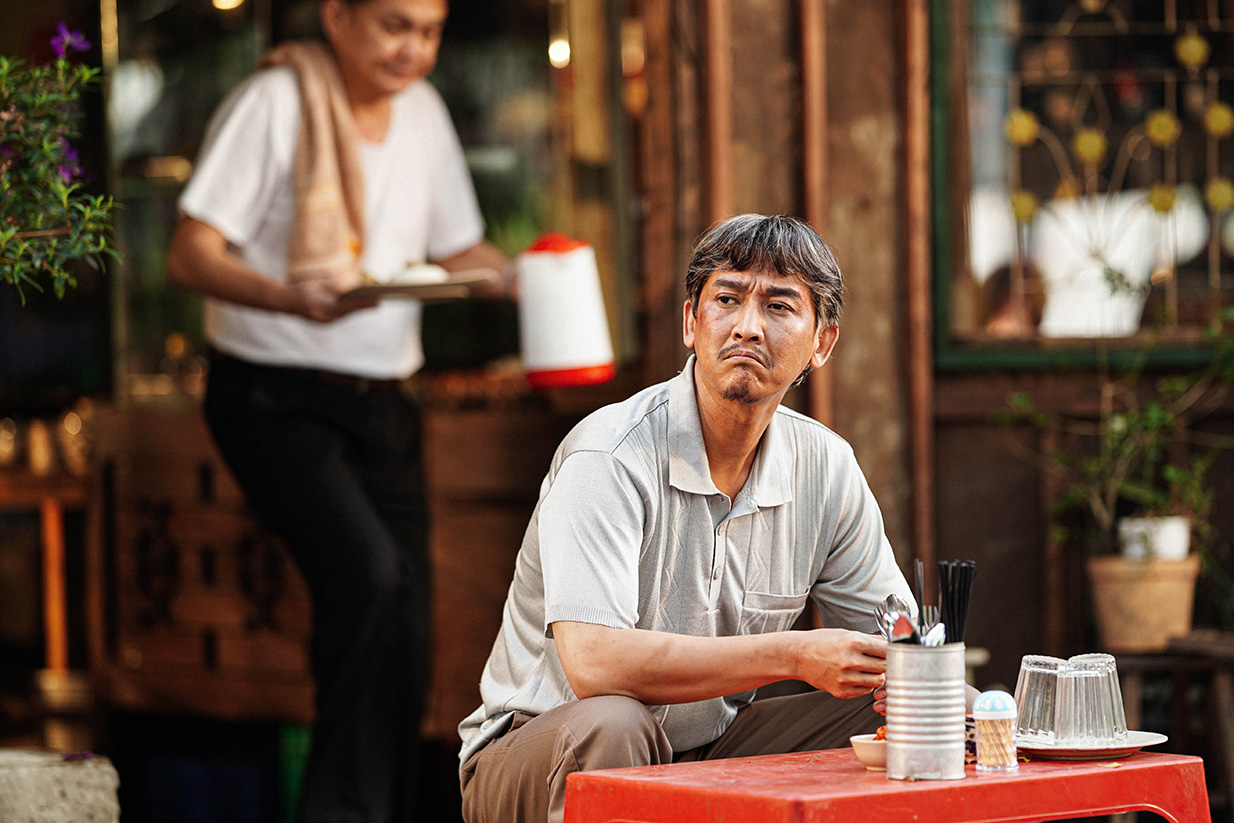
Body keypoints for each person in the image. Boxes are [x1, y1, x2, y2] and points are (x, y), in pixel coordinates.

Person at [165, 0, 510, 820]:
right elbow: (189, 251)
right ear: (339, 18)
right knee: (369, 576)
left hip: (385, 399)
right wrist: (284, 296)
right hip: (272, 393)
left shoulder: (423, 113)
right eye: (395, 25)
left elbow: (460, 248)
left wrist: (531, 275)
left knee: (408, 627)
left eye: (429, 31)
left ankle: (378, 807)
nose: (414, 49)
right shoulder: (274, 102)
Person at [457, 214, 920, 823]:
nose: (748, 327)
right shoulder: (611, 454)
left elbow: (901, 647)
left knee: (917, 710)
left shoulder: (826, 467)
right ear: (690, 322)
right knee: (614, 722)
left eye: (780, 307)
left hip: (706, 750)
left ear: (822, 343)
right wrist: (795, 655)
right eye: (726, 299)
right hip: (538, 751)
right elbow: (594, 664)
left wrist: (946, 691)